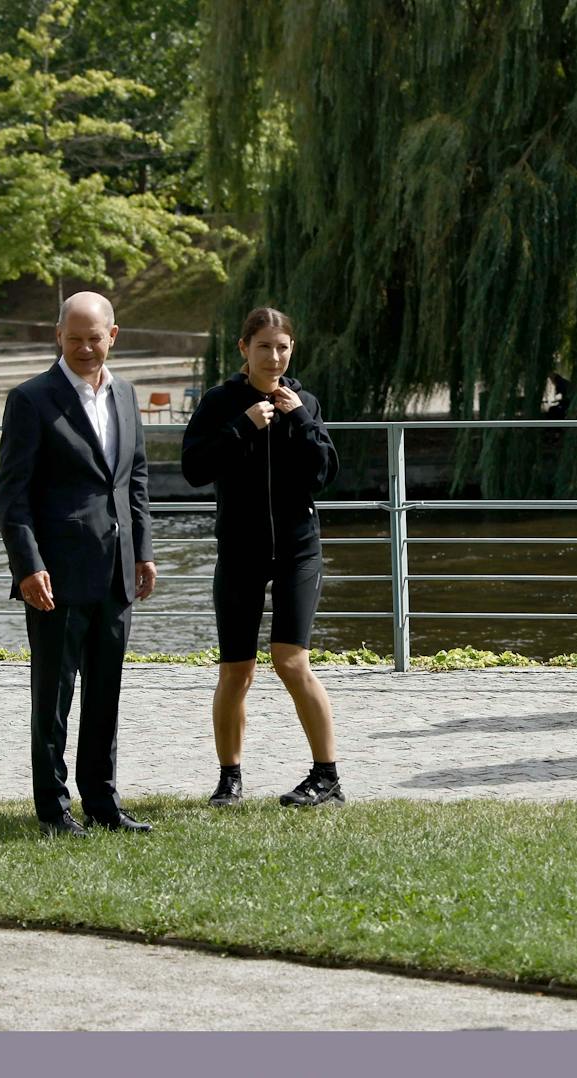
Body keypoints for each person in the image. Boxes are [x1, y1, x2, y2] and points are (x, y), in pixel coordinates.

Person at [0, 291, 157, 836]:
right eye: (75, 337)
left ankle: (103, 803)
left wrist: (145, 551)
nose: (86, 348)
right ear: (57, 335)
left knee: (105, 694)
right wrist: (27, 565)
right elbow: (12, 497)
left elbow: (134, 479)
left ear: (114, 335)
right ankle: (54, 809)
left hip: (117, 572)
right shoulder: (31, 399)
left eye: (95, 338)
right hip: (56, 576)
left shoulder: (127, 394)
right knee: (54, 697)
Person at [181, 308, 343, 808]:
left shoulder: (304, 401)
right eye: (265, 347)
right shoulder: (220, 402)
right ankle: (230, 778)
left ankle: (327, 776)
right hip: (240, 550)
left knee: (291, 660)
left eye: (283, 347)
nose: (274, 357)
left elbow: (325, 474)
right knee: (236, 670)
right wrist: (243, 426)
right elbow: (193, 468)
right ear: (243, 349)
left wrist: (299, 421)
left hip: (298, 549)